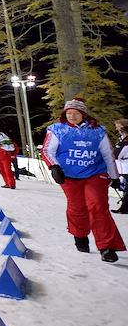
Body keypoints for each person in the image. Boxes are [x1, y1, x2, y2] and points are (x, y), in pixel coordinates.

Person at [42, 97, 125, 262]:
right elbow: (47, 151)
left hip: (95, 173)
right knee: (77, 207)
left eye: (76, 113)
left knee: (98, 206)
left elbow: (107, 154)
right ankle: (80, 236)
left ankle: (107, 247)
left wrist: (114, 176)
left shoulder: (97, 131)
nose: (72, 116)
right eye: (69, 113)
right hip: (69, 176)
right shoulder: (57, 129)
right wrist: (54, 167)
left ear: (83, 114)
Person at [113, 118, 128, 215]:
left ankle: (124, 208)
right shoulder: (122, 138)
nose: (117, 128)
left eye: (118, 126)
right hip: (123, 167)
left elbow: (117, 153)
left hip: (126, 167)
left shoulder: (126, 140)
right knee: (125, 188)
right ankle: (124, 207)